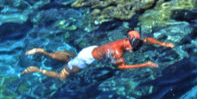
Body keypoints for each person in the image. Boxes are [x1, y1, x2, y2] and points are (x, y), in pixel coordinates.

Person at [21, 30, 174, 81]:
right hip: (86, 59)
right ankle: (37, 70)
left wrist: (164, 44)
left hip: (91, 50)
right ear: (128, 41)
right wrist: (145, 64)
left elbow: (147, 40)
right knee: (62, 76)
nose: (132, 49)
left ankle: (41, 51)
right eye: (131, 47)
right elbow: (122, 67)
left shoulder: (131, 39)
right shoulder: (116, 52)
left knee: (70, 59)